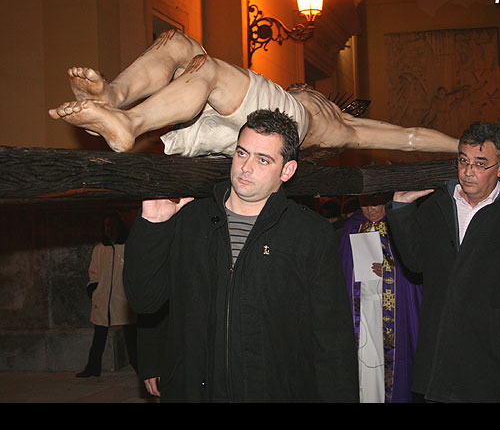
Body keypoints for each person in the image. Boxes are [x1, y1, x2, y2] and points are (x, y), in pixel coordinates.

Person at [122, 109, 359, 402]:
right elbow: (144, 300)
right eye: (242, 153)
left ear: (287, 170)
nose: (246, 167)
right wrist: (153, 226)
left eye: (263, 159)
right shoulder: (191, 220)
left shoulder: (310, 234)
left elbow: (332, 340)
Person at [48, 29, 459, 160]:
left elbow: (410, 136)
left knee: (208, 69)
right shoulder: (289, 92)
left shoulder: (341, 124)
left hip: (285, 127)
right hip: (245, 117)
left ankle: (129, 123)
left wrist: (467, 147)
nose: (307, 85)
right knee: (176, 42)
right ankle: (114, 95)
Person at [384, 121, 500, 403]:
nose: (468, 171)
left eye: (480, 163)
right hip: (441, 359)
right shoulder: (437, 205)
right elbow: (415, 264)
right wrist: (402, 209)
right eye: (463, 161)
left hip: (494, 360)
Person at [338, 193, 422, 403]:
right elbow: (341, 269)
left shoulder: (401, 225)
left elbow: (416, 268)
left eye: (376, 203)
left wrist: (391, 270)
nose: (370, 210)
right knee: (363, 362)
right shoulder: (351, 226)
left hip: (394, 308)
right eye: (365, 204)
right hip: (361, 309)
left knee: (392, 364)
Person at [77, 213, 137, 377]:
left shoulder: (127, 246)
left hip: (122, 297)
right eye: (106, 226)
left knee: (131, 335)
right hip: (103, 297)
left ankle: (139, 366)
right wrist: (93, 288)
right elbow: (94, 272)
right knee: (99, 334)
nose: (109, 229)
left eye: (112, 225)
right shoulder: (99, 248)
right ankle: (93, 367)